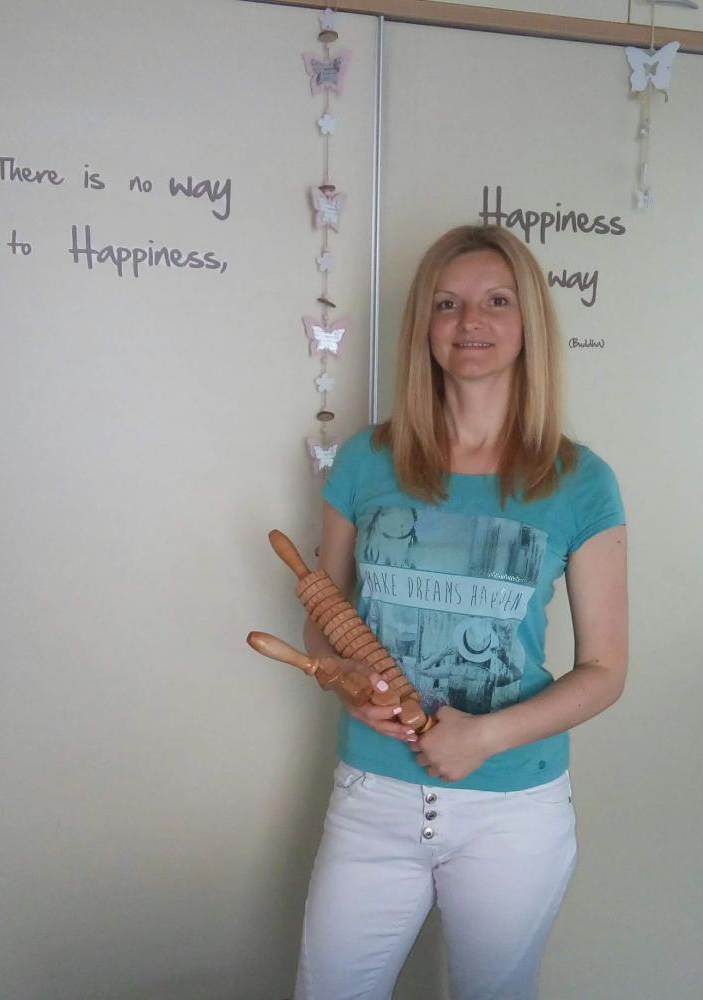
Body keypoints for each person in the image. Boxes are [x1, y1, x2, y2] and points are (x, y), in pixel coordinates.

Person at [294, 224, 628, 1000]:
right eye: (446, 303)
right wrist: (342, 678)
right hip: (372, 794)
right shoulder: (364, 461)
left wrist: (483, 735)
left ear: (528, 322)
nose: (468, 321)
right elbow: (324, 613)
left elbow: (604, 669)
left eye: (495, 301)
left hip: (512, 809)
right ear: (424, 325)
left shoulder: (580, 481)